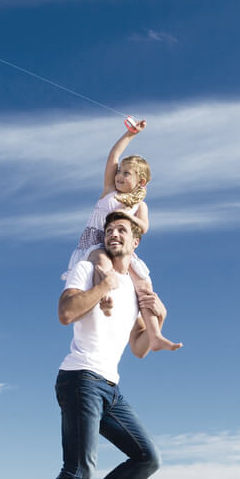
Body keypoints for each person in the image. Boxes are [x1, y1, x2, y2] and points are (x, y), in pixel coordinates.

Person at [23, 211, 169, 479]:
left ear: (136, 241)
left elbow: (137, 350)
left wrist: (158, 320)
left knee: (147, 457)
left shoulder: (136, 290)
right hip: (80, 377)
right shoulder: (88, 270)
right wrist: (103, 286)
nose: (113, 234)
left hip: (110, 386)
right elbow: (65, 312)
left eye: (122, 230)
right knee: (78, 469)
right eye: (109, 230)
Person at [66, 121, 181, 352]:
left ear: (140, 181)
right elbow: (113, 155)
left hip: (120, 247)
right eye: (119, 171)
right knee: (101, 262)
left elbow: (144, 227)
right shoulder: (109, 190)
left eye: (125, 173)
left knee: (144, 284)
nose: (119, 175)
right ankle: (104, 300)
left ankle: (155, 334)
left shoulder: (140, 204)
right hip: (97, 241)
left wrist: (127, 218)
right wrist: (130, 134)